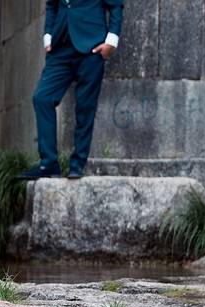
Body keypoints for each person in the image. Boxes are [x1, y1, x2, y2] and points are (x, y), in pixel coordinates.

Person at [19, 0, 124, 181]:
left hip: (92, 47)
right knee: (42, 98)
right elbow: (52, 5)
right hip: (60, 48)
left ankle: (77, 165)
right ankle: (49, 164)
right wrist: (48, 36)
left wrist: (111, 41)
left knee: (85, 107)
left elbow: (115, 5)